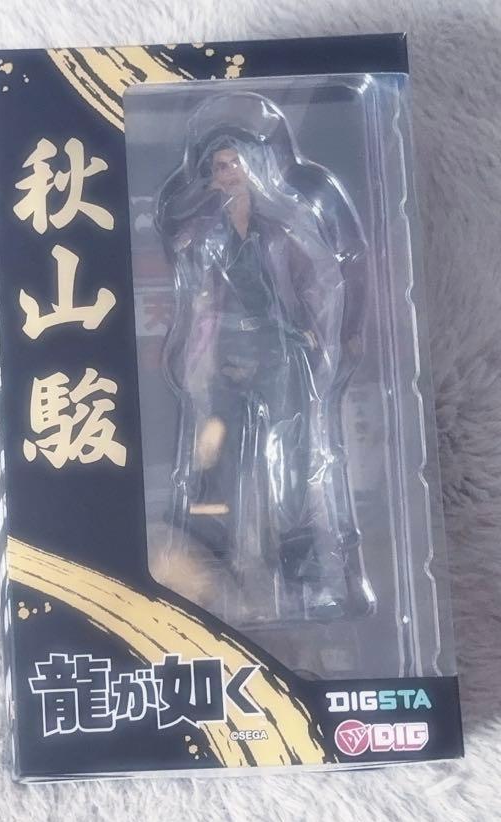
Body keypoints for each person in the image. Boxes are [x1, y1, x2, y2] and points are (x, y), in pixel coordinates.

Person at [157, 120, 373, 624]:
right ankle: (212, 566)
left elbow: (322, 276)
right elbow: (195, 288)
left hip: (279, 354)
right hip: (225, 356)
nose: (227, 173)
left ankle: (304, 574)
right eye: (218, 167)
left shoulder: (280, 225)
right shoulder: (204, 232)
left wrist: (318, 332)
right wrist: (195, 357)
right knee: (216, 462)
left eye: (233, 164)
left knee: (291, 466)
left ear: (254, 167)